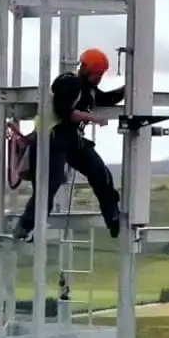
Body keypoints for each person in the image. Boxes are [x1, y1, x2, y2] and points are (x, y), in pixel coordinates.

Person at [14, 47, 124, 241]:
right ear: (89, 71)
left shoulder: (86, 88)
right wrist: (92, 118)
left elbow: (105, 99)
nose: (100, 78)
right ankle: (26, 226)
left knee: (100, 172)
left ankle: (112, 216)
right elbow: (64, 111)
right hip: (53, 138)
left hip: (70, 139)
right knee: (50, 184)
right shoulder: (69, 82)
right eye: (98, 74)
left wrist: (126, 89)